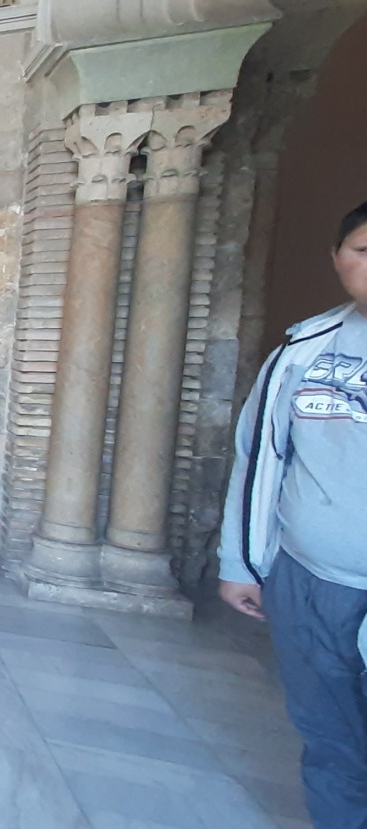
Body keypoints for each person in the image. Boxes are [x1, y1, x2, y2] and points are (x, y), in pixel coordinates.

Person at [218, 200, 367, 828]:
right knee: (330, 738)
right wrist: (242, 561)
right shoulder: (303, 352)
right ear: (337, 258)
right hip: (308, 579)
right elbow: (259, 458)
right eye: (364, 251)